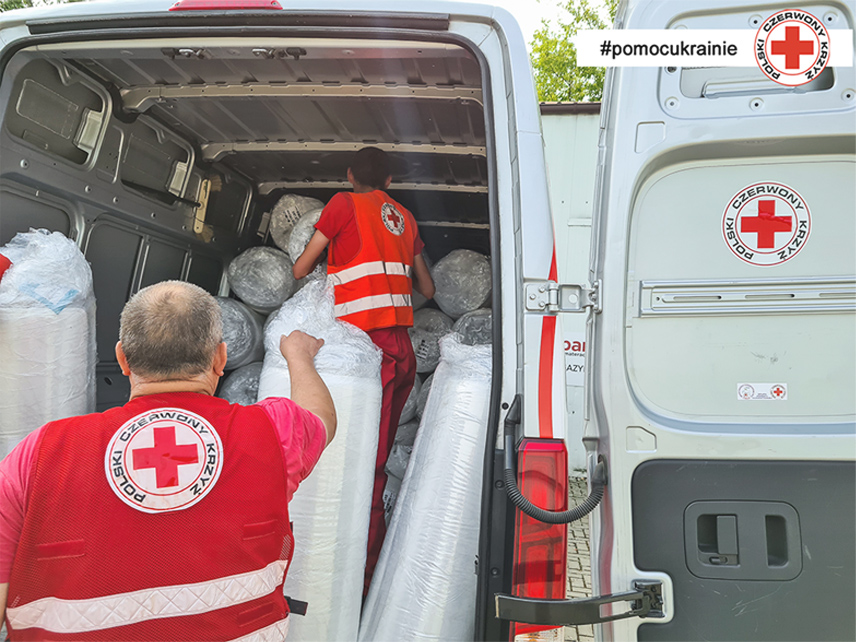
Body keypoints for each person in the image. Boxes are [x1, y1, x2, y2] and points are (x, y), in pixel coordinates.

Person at [0, 280, 336, 641]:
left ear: (123, 360)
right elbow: (320, 418)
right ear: (221, 359)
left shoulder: (40, 452)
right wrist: (298, 355)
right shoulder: (273, 433)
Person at [292, 147, 435, 594]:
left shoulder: (342, 204)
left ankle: (351, 573)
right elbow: (427, 288)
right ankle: (363, 573)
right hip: (401, 352)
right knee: (372, 458)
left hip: (362, 353)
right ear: (390, 181)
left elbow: (300, 269)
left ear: (349, 173)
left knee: (352, 464)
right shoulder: (406, 219)